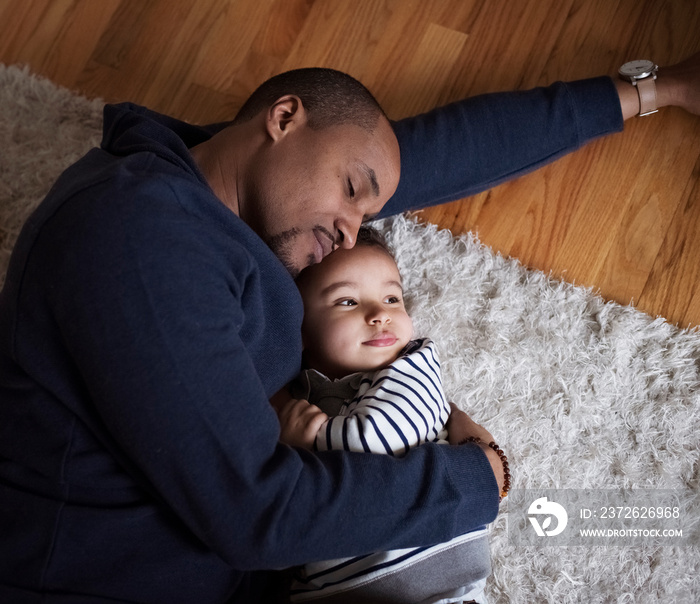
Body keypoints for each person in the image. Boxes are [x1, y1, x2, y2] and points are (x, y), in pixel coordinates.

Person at [0, 54, 698, 603]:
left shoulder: (229, 185)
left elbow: (439, 151)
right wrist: (474, 477)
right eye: (353, 190)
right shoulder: (137, 239)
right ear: (283, 118)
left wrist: (654, 88)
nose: (349, 232)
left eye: (365, 213)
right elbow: (257, 513)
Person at [273, 226, 503, 604]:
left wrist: (312, 441)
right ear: (300, 332)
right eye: (348, 302)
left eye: (393, 298)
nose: (380, 313)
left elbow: (383, 436)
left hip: (435, 580)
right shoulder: (305, 389)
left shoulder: (413, 366)